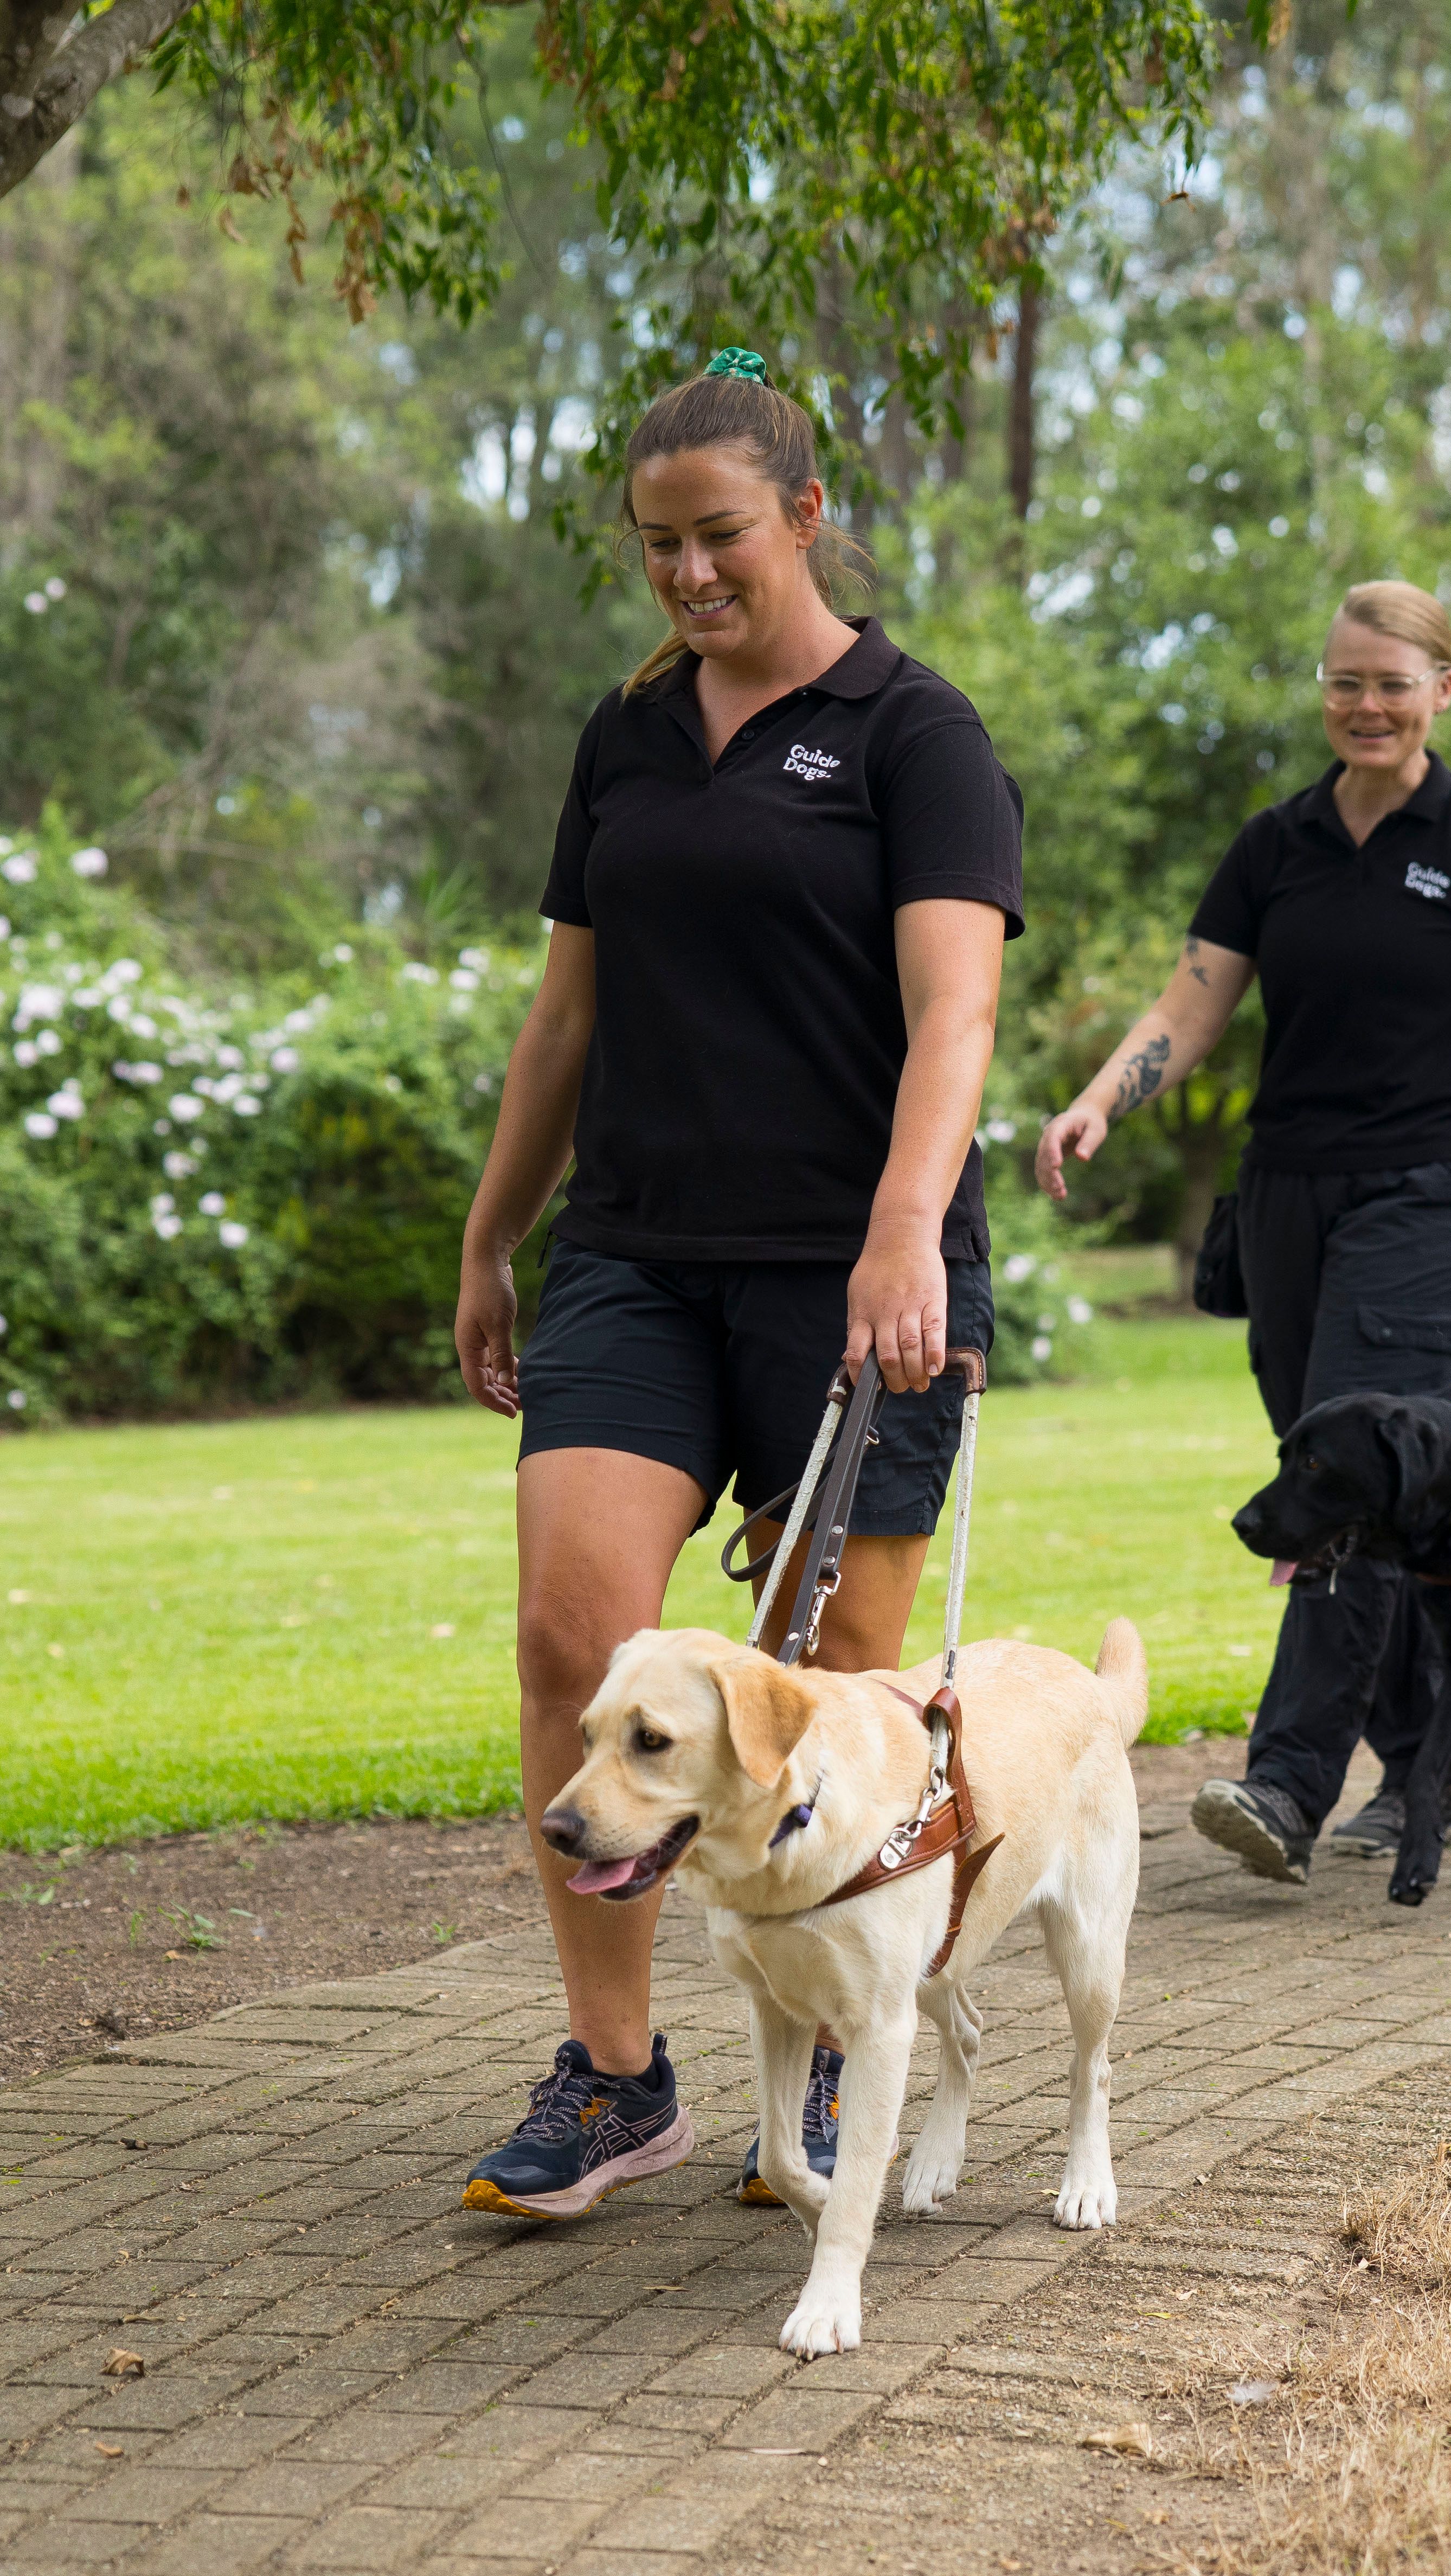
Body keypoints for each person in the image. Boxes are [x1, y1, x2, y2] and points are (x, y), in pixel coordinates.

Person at [450, 349, 1023, 2218]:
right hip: (635, 1253)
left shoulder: (915, 736)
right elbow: (565, 1019)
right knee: (577, 1646)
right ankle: (618, 2081)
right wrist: (494, 1232)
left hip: (855, 1276)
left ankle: (848, 2049)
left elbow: (955, 1014)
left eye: (718, 536)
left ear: (804, 513)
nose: (688, 574)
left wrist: (904, 1228)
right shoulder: (626, 734)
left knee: (841, 1691)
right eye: (656, 545)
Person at [1034, 579, 1451, 1885]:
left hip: (1426, 1196)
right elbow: (1188, 1008)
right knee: (1351, 1489)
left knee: (1343, 1490)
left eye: (1392, 684)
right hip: (1286, 1200)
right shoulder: (1277, 844)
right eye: (1344, 682)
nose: (1366, 706)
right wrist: (1097, 1101)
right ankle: (1428, 1765)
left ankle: (1288, 1779)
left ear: (1442, 691)